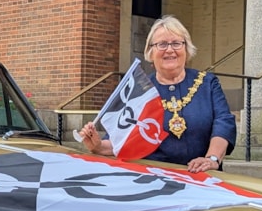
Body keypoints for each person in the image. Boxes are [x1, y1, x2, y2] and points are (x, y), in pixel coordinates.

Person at [79, 15, 236, 173]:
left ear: (186, 49)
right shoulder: (139, 89)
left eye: (176, 43)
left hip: (203, 179)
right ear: (150, 52)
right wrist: (97, 145)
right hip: (154, 180)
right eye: (162, 44)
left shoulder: (207, 83)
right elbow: (122, 138)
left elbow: (224, 122)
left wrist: (212, 159)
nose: (169, 49)